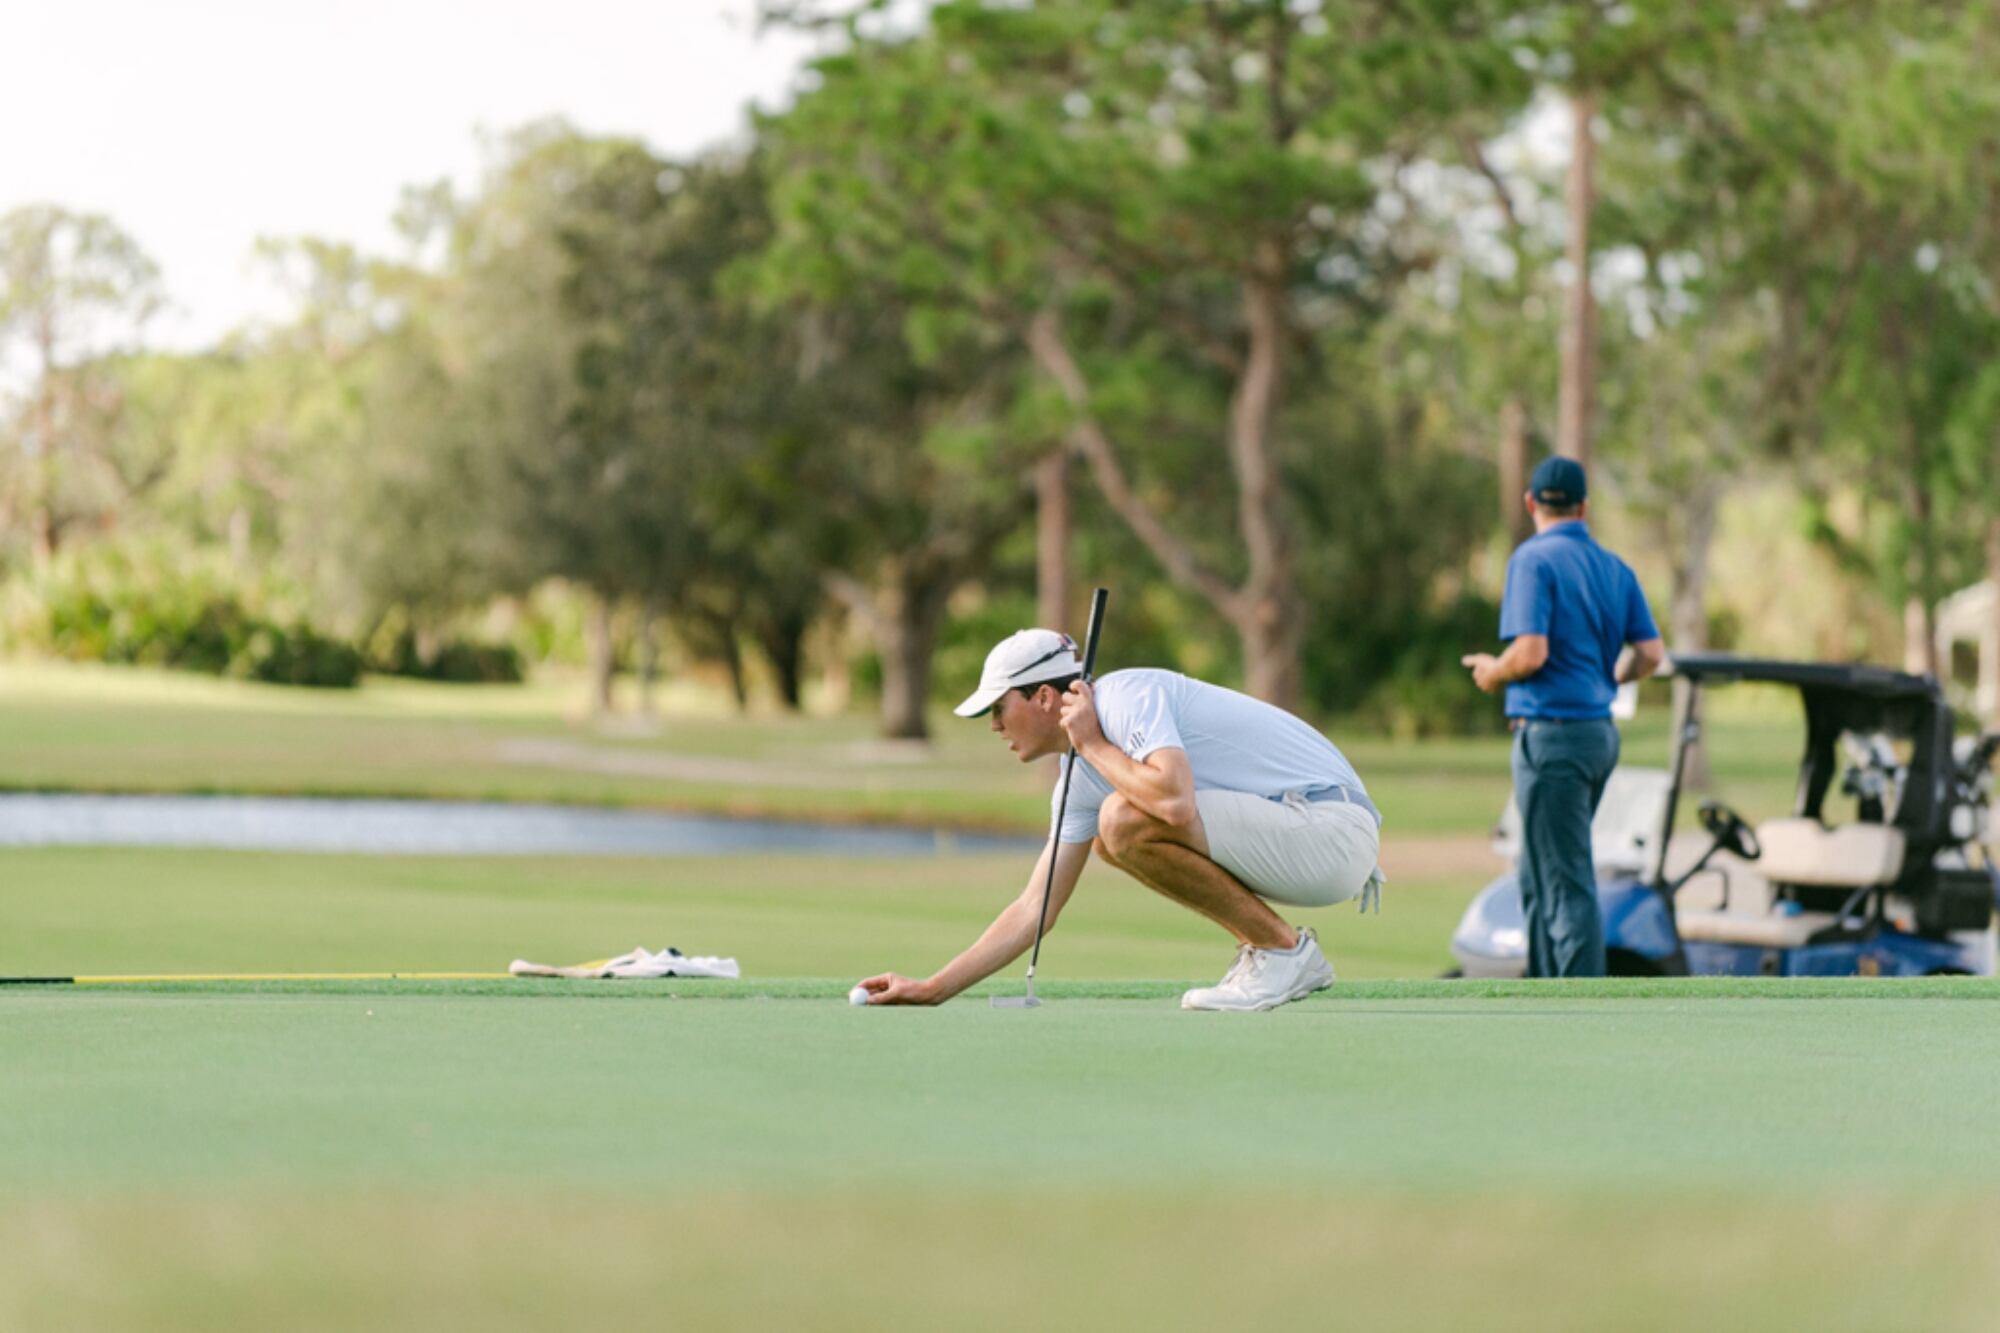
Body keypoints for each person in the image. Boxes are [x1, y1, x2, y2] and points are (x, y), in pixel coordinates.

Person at [854, 630, 1385, 1011]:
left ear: (1044, 698)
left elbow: (1174, 802)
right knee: (1114, 835)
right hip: (1300, 837)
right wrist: (932, 989)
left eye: (998, 708)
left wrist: (1092, 743)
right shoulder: (1079, 775)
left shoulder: (1126, 696)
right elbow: (1033, 908)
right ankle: (1275, 952)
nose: (993, 725)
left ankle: (1282, 953)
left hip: (1330, 828)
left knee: (1123, 820)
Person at [1461, 456, 1666, 977]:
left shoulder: (1533, 561)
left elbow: (1529, 653)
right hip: (1597, 733)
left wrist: (1494, 672)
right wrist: (1607, 679)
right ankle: (1543, 990)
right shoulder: (1614, 568)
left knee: (1566, 878)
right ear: (1584, 507)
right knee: (1537, 873)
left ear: (1531, 502)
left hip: (1554, 737)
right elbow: (1651, 655)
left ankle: (1579, 1004)